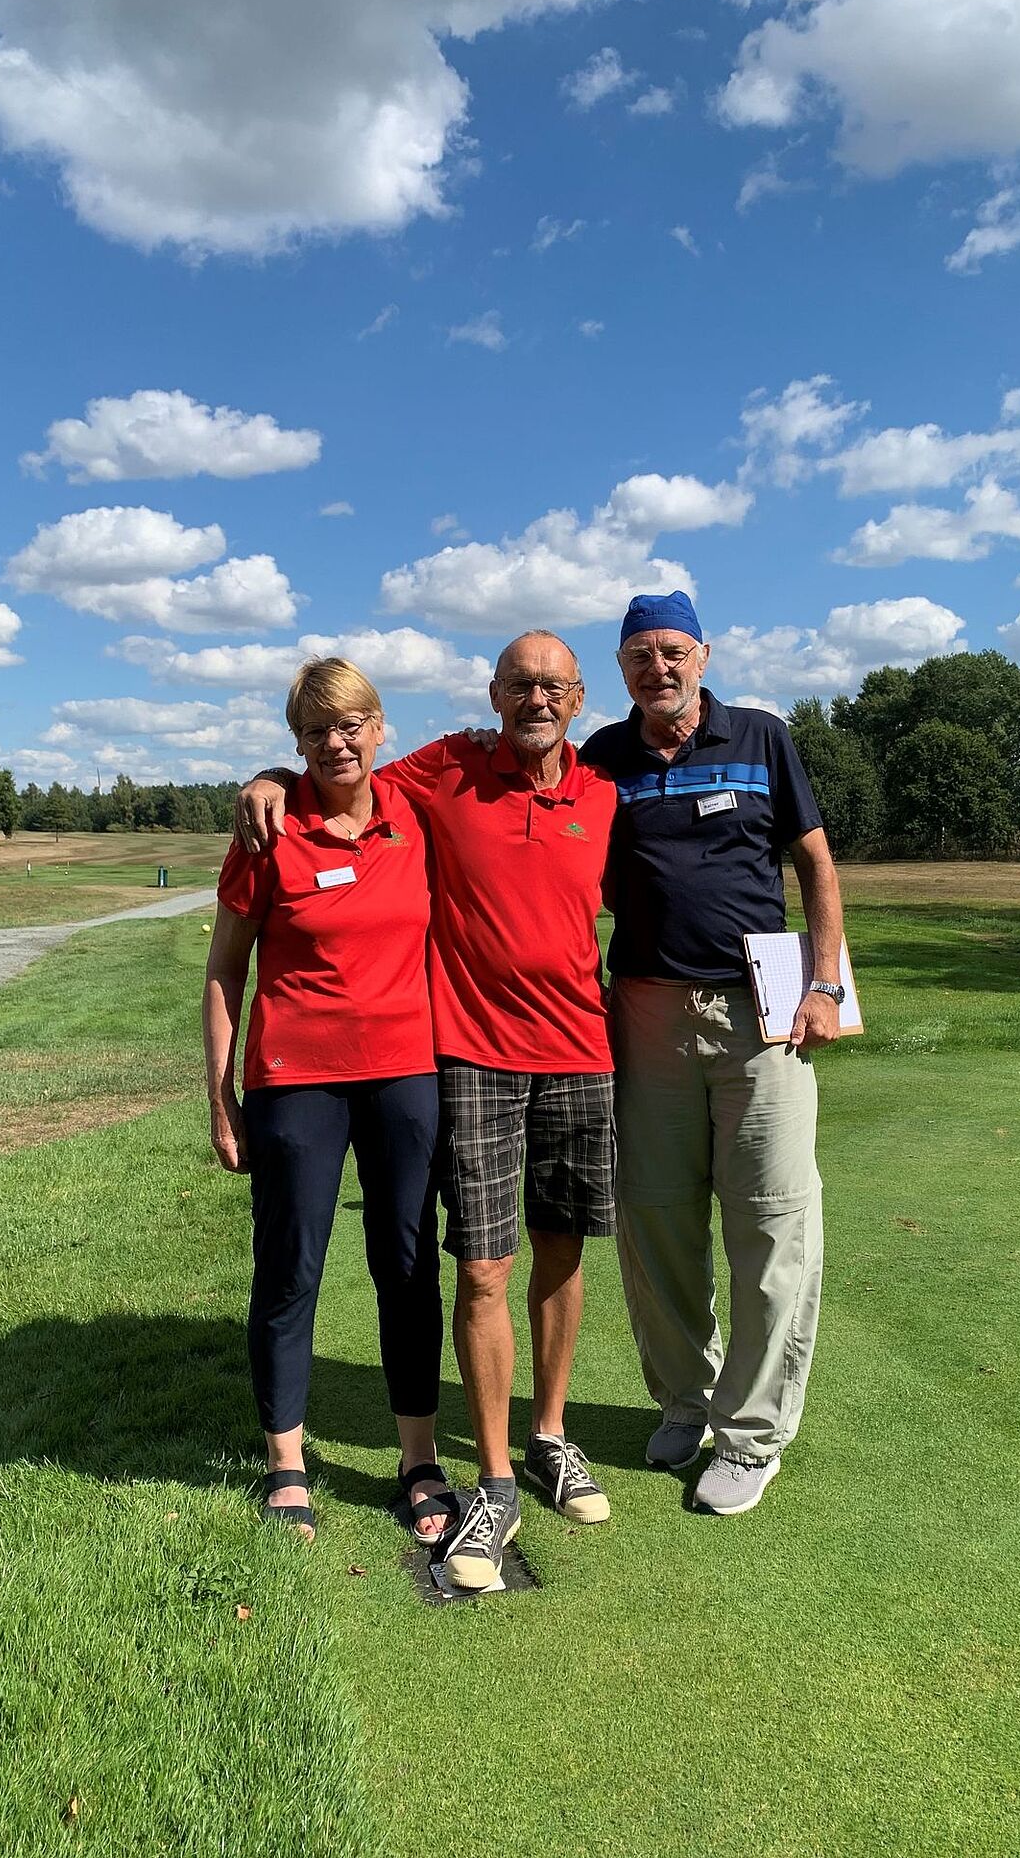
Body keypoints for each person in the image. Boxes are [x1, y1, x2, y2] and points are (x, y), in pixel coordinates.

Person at [237, 631, 621, 1591]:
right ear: (493, 694)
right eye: (520, 684)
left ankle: (547, 1438)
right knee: (477, 1266)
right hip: (468, 1054)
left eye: (554, 685)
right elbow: (335, 766)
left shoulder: (603, 790)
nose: (536, 698)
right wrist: (269, 776)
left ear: (577, 699)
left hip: (573, 1050)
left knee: (553, 1250)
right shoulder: (444, 772)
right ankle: (483, 1475)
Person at [578, 591, 844, 1516]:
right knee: (655, 1218)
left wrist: (826, 984)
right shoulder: (601, 757)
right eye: (639, 656)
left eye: (673, 651)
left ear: (703, 654)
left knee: (770, 1221)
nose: (658, 668)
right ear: (622, 669)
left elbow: (815, 864)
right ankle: (686, 1401)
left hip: (762, 1014)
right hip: (645, 1012)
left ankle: (752, 1435)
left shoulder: (761, 737)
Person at [204, 658, 454, 1547]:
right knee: (290, 1268)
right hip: (295, 1081)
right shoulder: (268, 830)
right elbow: (225, 969)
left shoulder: (416, 813)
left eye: (351, 725)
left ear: (379, 727)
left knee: (407, 1265)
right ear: (297, 742)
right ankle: (286, 1463)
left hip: (404, 1074)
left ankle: (418, 1459)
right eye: (315, 732)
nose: (336, 744)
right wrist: (220, 1098)